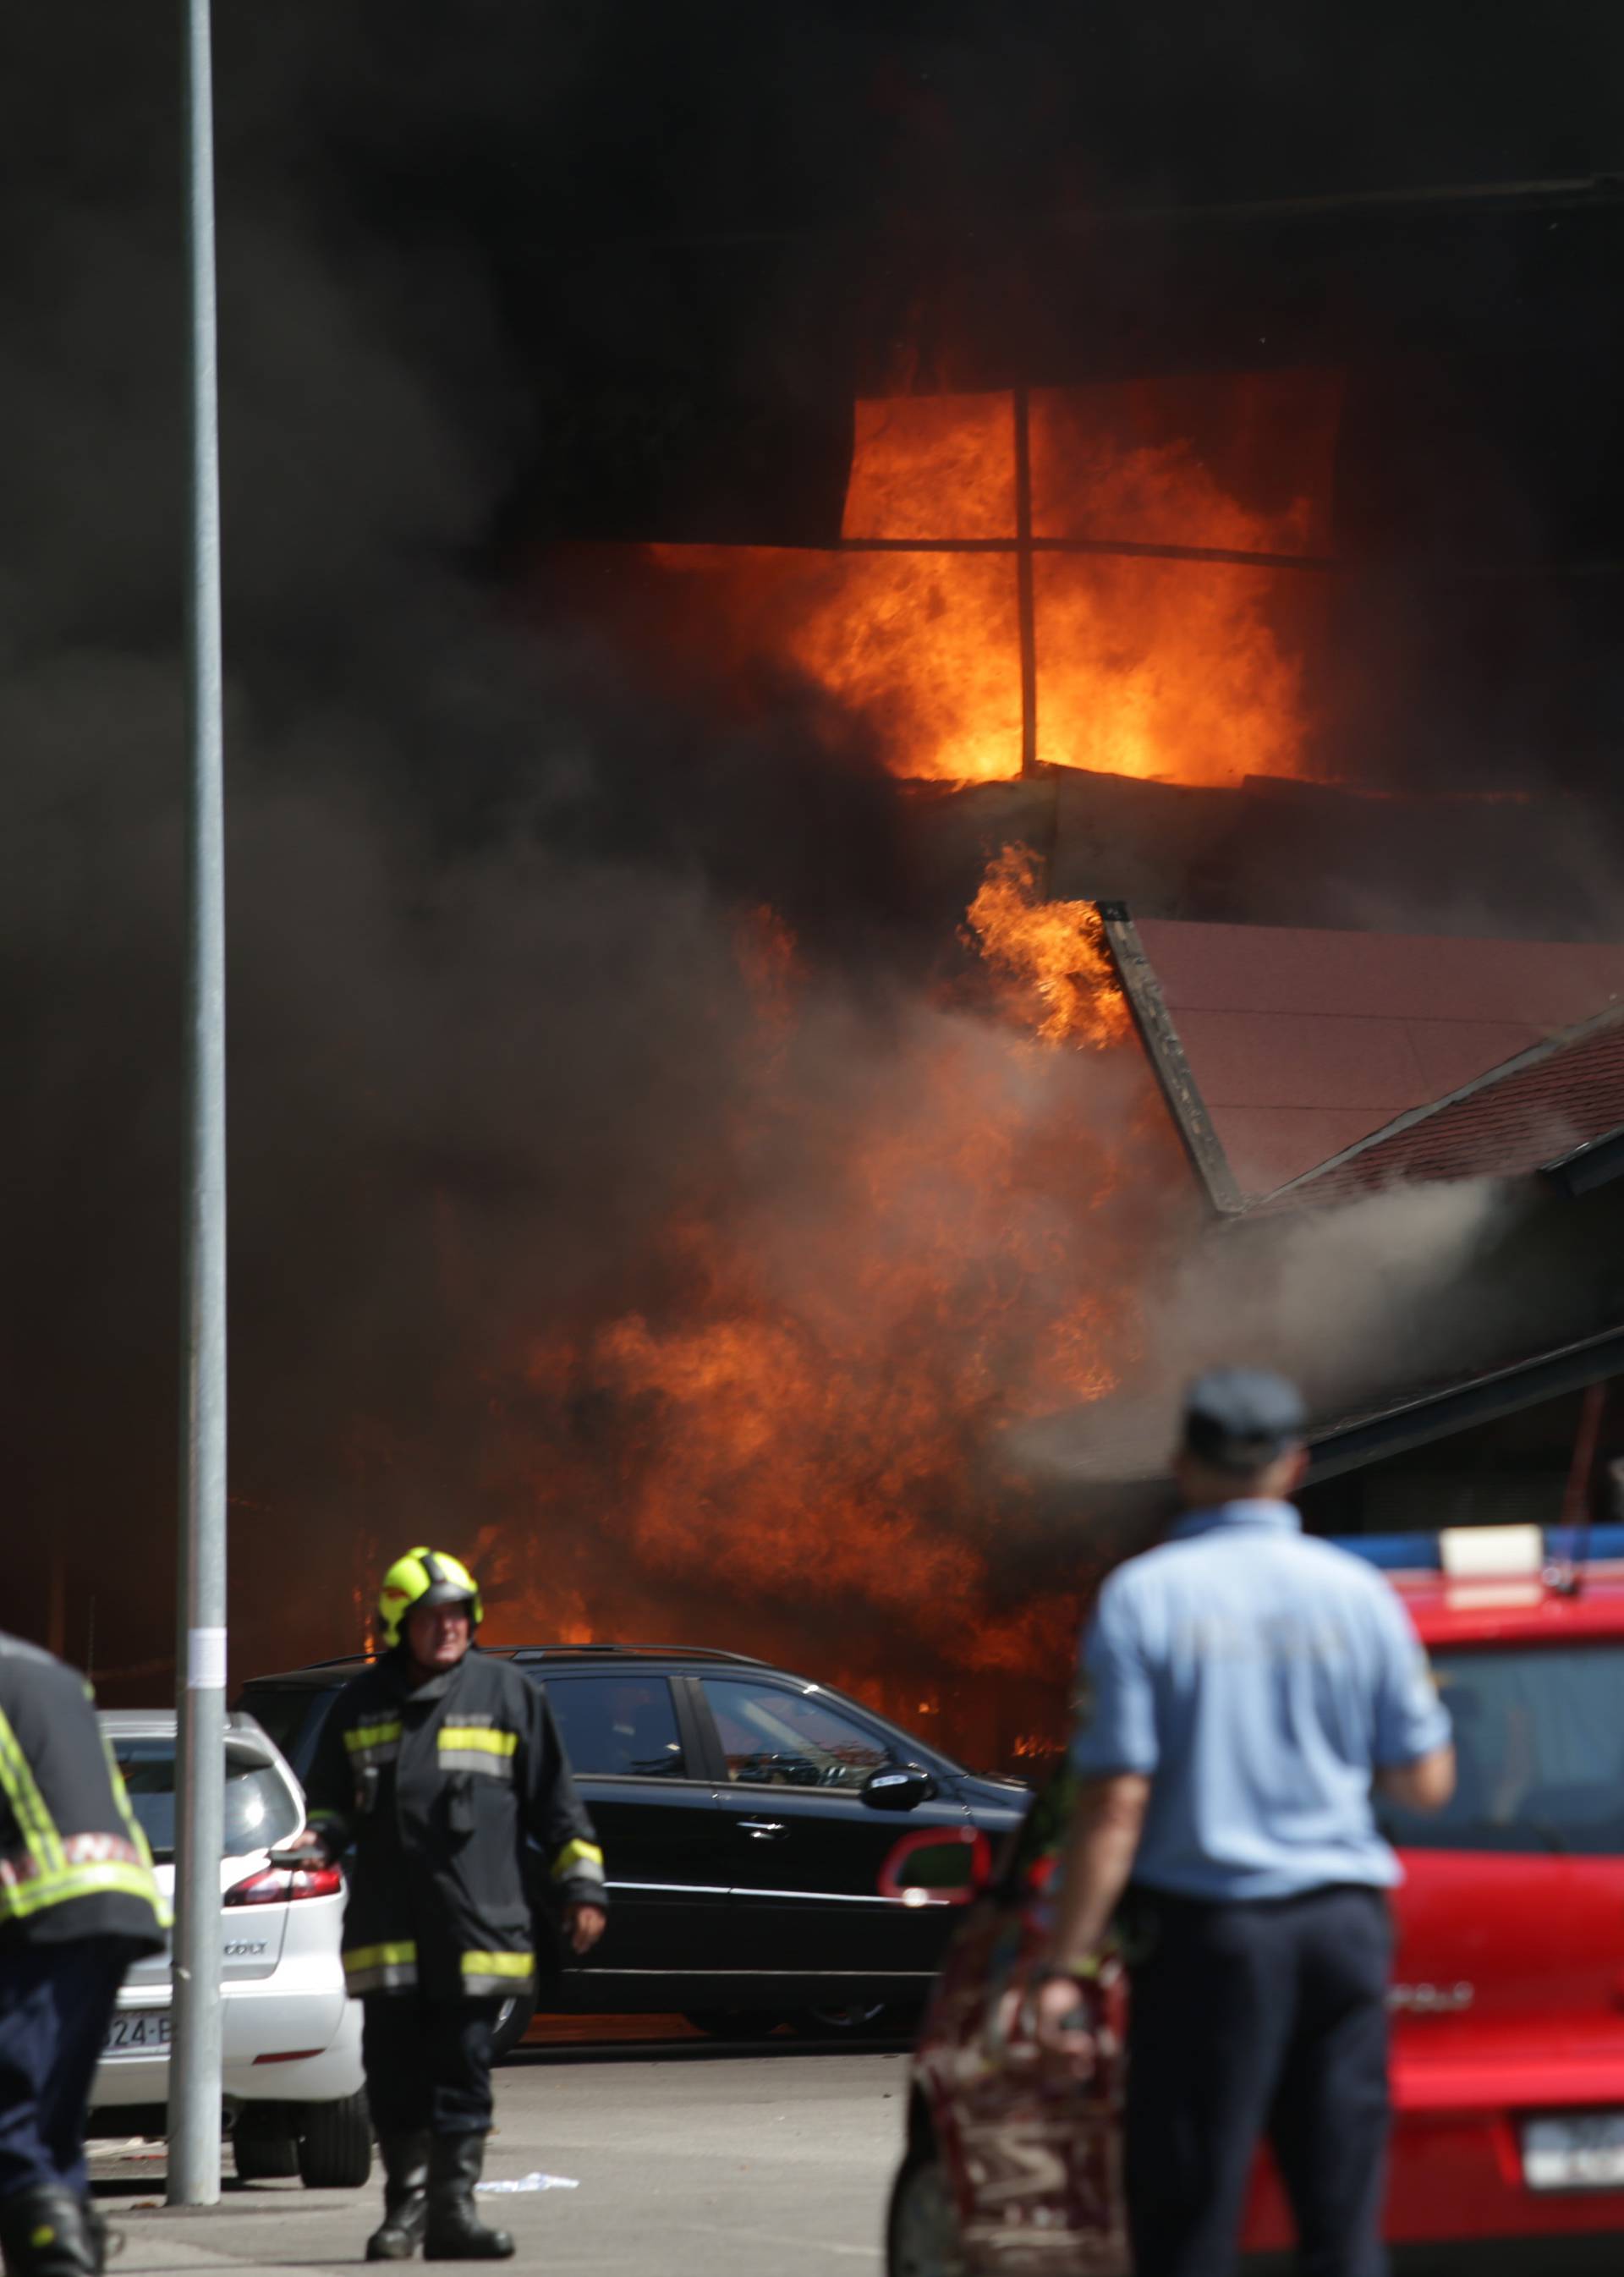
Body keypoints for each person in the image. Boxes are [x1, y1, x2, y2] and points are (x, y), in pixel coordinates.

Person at [1034, 1369, 1457, 2277]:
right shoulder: (1360, 1594)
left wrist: (1066, 1962)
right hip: (1343, 1932)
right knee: (1341, 2224)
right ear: (1296, 1465)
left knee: (1190, 2219)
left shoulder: (1144, 1597)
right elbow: (1427, 1781)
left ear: (1182, 1464)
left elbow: (1115, 1802)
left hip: (1210, 1940)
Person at [299, 1550, 606, 2262]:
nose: (448, 1628)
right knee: (395, 2075)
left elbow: (556, 1806)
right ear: (398, 1626)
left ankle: (453, 2215)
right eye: (431, 1617)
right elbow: (332, 1804)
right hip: (390, 1932)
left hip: (477, 1927)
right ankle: (403, 2215)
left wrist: (583, 1888)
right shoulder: (359, 1703)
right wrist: (320, 1836)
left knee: (464, 2070)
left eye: (458, 1615)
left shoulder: (509, 1694)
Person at [0, 1632, 167, 2277]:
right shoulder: (46, 1669)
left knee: (9, 2124)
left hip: (41, 1909)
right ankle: (67, 2241)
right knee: (49, 2130)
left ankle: (59, 2261)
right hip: (119, 1904)